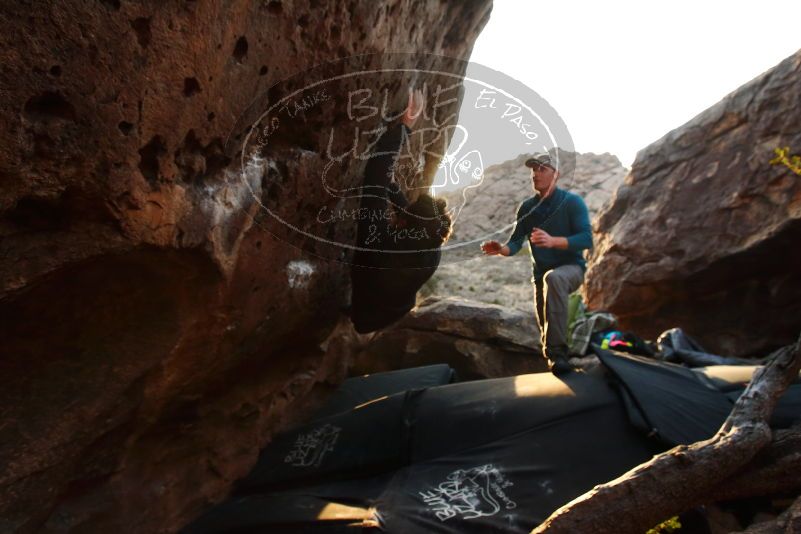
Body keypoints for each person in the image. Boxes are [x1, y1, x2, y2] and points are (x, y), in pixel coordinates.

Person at [349, 89, 453, 333]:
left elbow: (374, 176)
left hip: (363, 314)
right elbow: (408, 214)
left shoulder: (379, 242)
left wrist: (405, 127)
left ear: (404, 223)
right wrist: (392, 187)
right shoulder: (431, 249)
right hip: (391, 313)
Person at [480, 151, 592, 375]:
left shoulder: (572, 202)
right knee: (546, 332)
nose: (536, 174)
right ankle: (556, 363)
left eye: (542, 169)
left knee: (555, 278)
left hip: (571, 270)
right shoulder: (527, 208)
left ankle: (560, 353)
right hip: (540, 277)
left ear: (556, 174)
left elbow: (586, 239)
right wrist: (500, 249)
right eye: (534, 169)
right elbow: (515, 242)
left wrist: (553, 241)